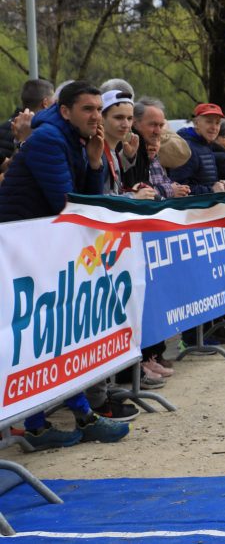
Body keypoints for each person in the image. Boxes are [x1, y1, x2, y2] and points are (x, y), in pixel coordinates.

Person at [0, 81, 131, 447]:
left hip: (43, 248)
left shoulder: (72, 140)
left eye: (96, 109)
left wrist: (93, 161)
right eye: (88, 110)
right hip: (21, 253)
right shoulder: (48, 140)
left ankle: (60, 421)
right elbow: (67, 203)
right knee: (39, 335)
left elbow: (83, 200)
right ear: (64, 111)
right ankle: (51, 423)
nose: (95, 116)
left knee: (57, 336)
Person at [0, 78, 54, 170]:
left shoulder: (4, 126)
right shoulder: (46, 132)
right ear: (45, 103)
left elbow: (6, 165)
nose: (55, 106)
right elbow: (10, 173)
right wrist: (23, 141)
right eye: (54, 101)